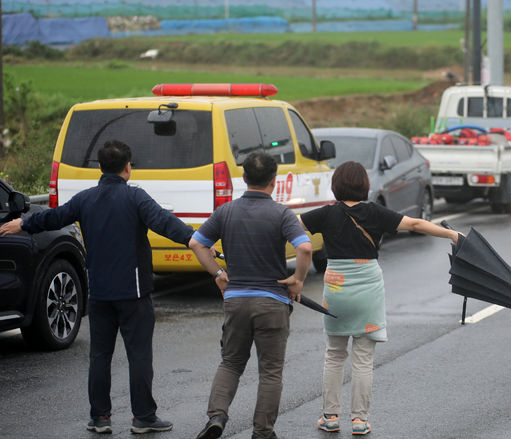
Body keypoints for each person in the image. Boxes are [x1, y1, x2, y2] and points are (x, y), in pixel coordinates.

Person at [0, 140, 194, 434]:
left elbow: (53, 217)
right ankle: (143, 416)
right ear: (128, 168)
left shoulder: (85, 199)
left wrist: (22, 224)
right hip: (134, 293)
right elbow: (166, 224)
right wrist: (198, 240)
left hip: (100, 292)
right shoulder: (136, 198)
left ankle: (100, 418)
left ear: (100, 168)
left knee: (100, 356)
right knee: (139, 355)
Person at [298, 161, 460, 435]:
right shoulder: (375, 212)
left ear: (336, 185)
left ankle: (330, 416)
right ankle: (359, 421)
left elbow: (288, 226)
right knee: (363, 358)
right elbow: (417, 223)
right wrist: (453, 234)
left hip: (336, 287)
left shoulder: (325, 214)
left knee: (335, 355)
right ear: (365, 185)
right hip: (368, 286)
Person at [189, 151, 313, 439]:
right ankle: (262, 432)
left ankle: (217, 416)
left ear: (244, 178)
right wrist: (297, 279)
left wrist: (218, 274)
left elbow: (196, 243)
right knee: (270, 371)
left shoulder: (226, 211)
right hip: (272, 302)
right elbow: (305, 248)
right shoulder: (282, 213)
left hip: (236, 300)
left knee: (231, 362)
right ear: (274, 180)